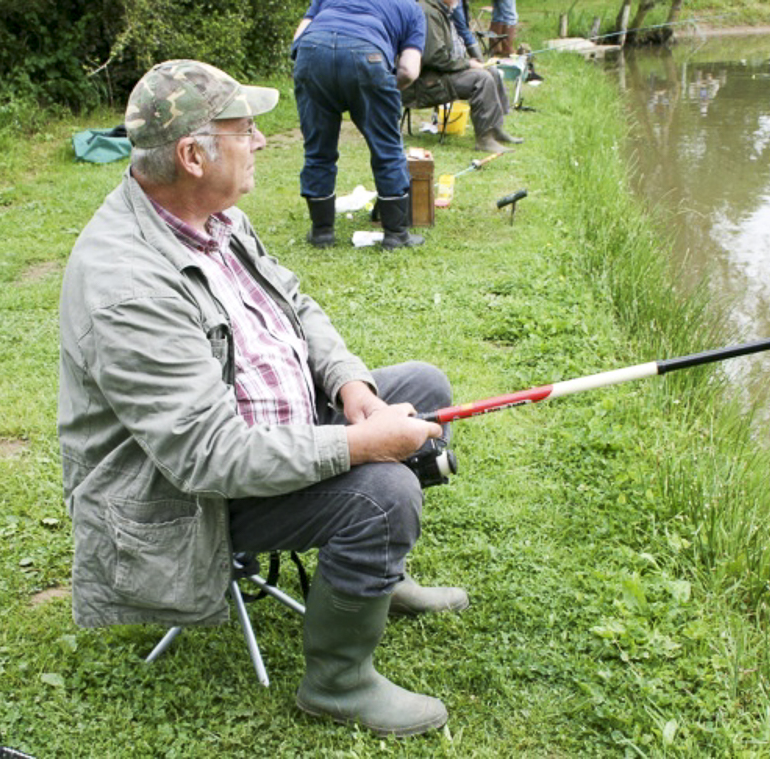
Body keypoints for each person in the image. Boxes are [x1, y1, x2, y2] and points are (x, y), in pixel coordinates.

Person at [58, 59, 465, 737]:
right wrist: (360, 445)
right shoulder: (125, 284)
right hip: (192, 501)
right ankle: (339, 679)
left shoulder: (214, 218)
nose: (262, 139)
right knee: (385, 491)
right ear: (192, 154)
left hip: (260, 435)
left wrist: (350, 386)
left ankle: (373, 574)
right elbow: (208, 457)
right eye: (246, 128)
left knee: (422, 387)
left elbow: (296, 304)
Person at [292, 0, 426, 250]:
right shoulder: (412, 9)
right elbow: (408, 70)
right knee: (387, 149)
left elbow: (299, 38)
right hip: (368, 54)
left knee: (318, 148)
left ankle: (322, 233)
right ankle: (396, 235)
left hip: (312, 50)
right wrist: (379, 89)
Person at [407, 0, 522, 153]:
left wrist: (468, 63)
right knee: (482, 78)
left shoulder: (441, 9)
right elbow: (434, 57)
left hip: (441, 74)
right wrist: (467, 64)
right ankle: (484, 140)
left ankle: (495, 129)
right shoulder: (428, 12)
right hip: (426, 83)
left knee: (492, 71)